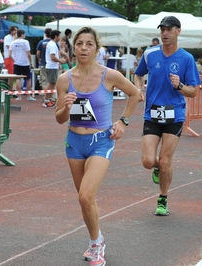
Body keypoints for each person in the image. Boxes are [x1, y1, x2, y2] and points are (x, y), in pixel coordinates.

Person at [55, 26, 140, 266]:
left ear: (97, 48)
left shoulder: (109, 75)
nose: (83, 48)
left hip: (100, 142)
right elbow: (59, 118)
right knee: (85, 200)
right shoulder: (65, 79)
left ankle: (96, 245)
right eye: (79, 43)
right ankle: (97, 240)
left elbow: (135, 94)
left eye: (89, 44)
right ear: (74, 48)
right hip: (73, 143)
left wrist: (123, 121)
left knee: (85, 194)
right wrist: (66, 107)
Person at [134, 16, 200, 216]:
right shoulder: (150, 54)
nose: (164, 33)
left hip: (175, 115)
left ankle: (163, 198)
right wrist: (138, 89)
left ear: (178, 31)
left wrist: (179, 86)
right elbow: (138, 74)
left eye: (169, 29)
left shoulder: (186, 59)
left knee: (165, 161)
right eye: (162, 29)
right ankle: (158, 168)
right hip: (152, 114)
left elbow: (194, 91)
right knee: (148, 160)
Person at [8, 29, 36, 101]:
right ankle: (28, 96)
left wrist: (15, 60)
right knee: (28, 79)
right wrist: (31, 63)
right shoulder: (25, 42)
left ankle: (19, 96)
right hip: (25, 63)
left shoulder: (13, 42)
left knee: (18, 79)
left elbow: (9, 55)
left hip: (17, 63)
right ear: (22, 34)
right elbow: (29, 54)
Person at [45, 30, 66, 108]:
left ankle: (49, 100)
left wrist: (58, 63)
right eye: (59, 36)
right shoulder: (53, 45)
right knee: (51, 83)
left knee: (52, 83)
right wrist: (60, 61)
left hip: (52, 66)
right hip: (51, 66)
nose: (60, 38)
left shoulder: (51, 44)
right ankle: (46, 100)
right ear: (56, 36)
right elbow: (52, 57)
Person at [36, 28, 52, 107]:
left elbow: (38, 53)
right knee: (51, 81)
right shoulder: (53, 43)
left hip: (43, 63)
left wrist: (39, 59)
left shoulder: (41, 42)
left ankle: (45, 96)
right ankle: (49, 97)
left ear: (45, 34)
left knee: (43, 81)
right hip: (52, 65)